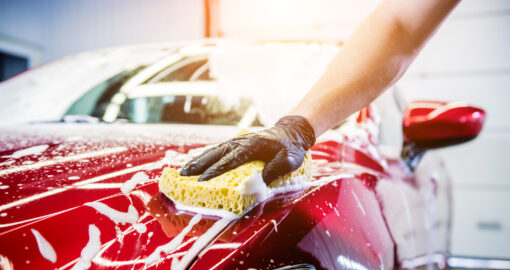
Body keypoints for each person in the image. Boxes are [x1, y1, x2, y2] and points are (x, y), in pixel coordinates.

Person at [180, 0, 460, 185]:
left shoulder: (344, 175)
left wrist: (297, 128)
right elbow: (400, 22)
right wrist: (294, 126)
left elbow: (401, 29)